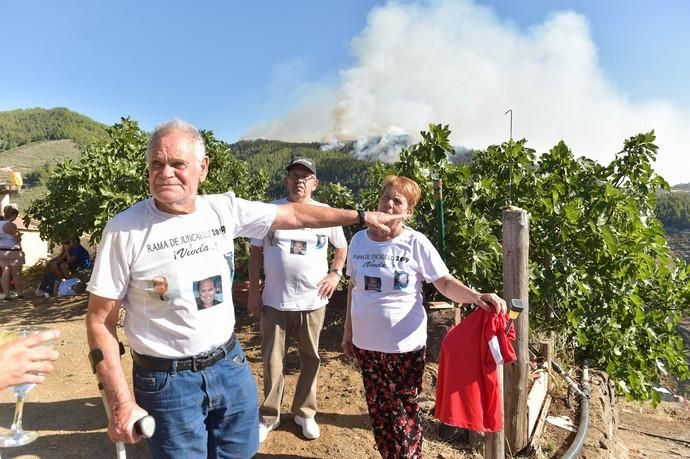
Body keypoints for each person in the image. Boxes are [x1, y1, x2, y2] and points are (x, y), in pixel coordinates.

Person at [85, 118, 403, 459]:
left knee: (240, 452)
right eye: (157, 164)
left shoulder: (222, 209)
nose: (166, 173)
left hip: (229, 365)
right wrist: (120, 402)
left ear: (202, 167)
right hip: (166, 380)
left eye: (178, 164)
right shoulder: (124, 230)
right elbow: (99, 321)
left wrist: (361, 216)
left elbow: (296, 216)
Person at [341, 176, 506, 459]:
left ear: (409, 211)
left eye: (398, 201)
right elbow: (354, 290)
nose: (389, 204)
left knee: (404, 408)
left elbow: (443, 282)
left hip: (404, 347)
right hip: (366, 346)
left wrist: (476, 297)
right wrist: (348, 333)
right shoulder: (358, 240)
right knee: (379, 410)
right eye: (385, 197)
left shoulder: (416, 243)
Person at [248, 157, 347, 443]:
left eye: (306, 177)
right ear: (286, 180)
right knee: (271, 360)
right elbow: (255, 253)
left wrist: (335, 274)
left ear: (315, 183)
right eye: (294, 175)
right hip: (274, 302)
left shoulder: (326, 213)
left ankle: (305, 413)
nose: (299, 180)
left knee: (310, 359)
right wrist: (254, 292)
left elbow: (341, 247)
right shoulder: (271, 212)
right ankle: (269, 415)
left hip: (313, 301)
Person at [0, 205, 25, 300]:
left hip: (1, 251)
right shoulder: (11, 225)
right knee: (16, 273)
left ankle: (6, 294)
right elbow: (17, 239)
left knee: (5, 272)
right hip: (13, 251)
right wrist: (19, 236)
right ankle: (20, 293)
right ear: (13, 215)